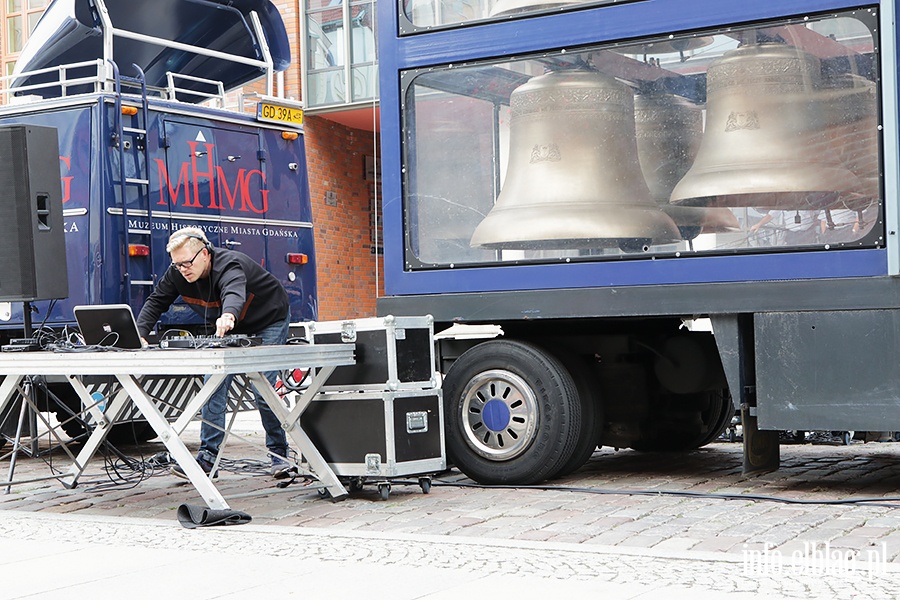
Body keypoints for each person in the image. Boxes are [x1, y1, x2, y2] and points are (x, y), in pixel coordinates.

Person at [136, 227, 296, 480]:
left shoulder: (229, 264)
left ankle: (280, 455)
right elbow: (157, 301)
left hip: (268, 319)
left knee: (262, 387)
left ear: (205, 253)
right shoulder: (177, 274)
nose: (183, 269)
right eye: (177, 265)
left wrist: (229, 314)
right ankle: (208, 459)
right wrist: (139, 333)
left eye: (187, 262)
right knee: (213, 384)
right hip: (228, 325)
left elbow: (233, 290)